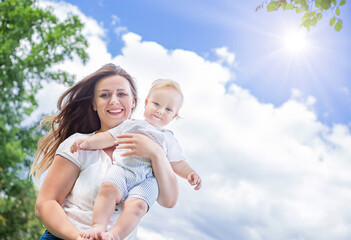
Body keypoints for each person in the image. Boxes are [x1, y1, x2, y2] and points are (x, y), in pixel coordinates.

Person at [30, 64, 179, 240]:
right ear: (94, 104)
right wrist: (79, 238)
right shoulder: (80, 144)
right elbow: (46, 204)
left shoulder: (149, 153)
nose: (114, 100)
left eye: (122, 94)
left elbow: (168, 201)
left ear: (133, 101)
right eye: (104, 95)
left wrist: (156, 153)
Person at [70, 79, 202, 240]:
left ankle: (115, 235)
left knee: (138, 206)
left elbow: (177, 162)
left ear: (174, 116)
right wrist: (86, 143)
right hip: (123, 168)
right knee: (108, 190)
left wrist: (190, 173)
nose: (160, 111)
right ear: (146, 103)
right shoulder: (130, 124)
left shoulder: (168, 138)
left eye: (168, 109)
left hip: (148, 179)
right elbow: (108, 137)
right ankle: (98, 226)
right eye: (156, 104)